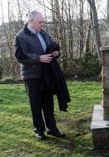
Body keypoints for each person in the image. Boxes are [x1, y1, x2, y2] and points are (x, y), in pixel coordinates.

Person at [14, 11, 70, 140]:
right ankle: (39, 130)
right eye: (40, 22)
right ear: (31, 22)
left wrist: (56, 52)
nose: (42, 24)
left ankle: (52, 128)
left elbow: (52, 46)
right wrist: (39, 58)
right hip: (31, 76)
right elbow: (20, 56)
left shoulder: (43, 33)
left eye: (42, 21)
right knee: (36, 103)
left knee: (48, 102)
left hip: (47, 74)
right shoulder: (21, 36)